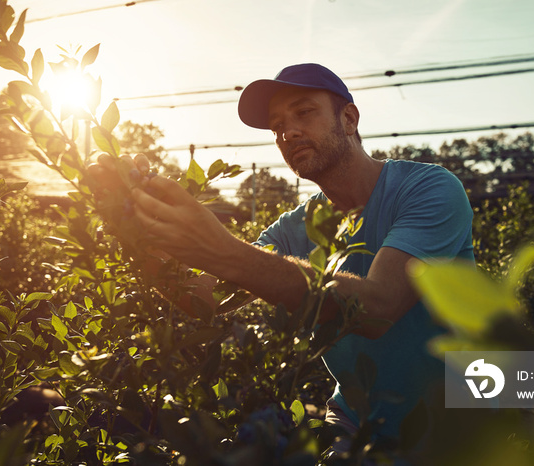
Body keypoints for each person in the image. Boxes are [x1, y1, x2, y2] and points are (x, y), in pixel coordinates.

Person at [90, 63, 474, 444]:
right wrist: (135, 232)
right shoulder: (292, 229)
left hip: (463, 410)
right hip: (358, 420)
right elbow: (203, 298)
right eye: (276, 127)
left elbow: (378, 308)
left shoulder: (428, 188)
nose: (288, 132)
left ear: (349, 118)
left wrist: (224, 250)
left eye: (304, 112)